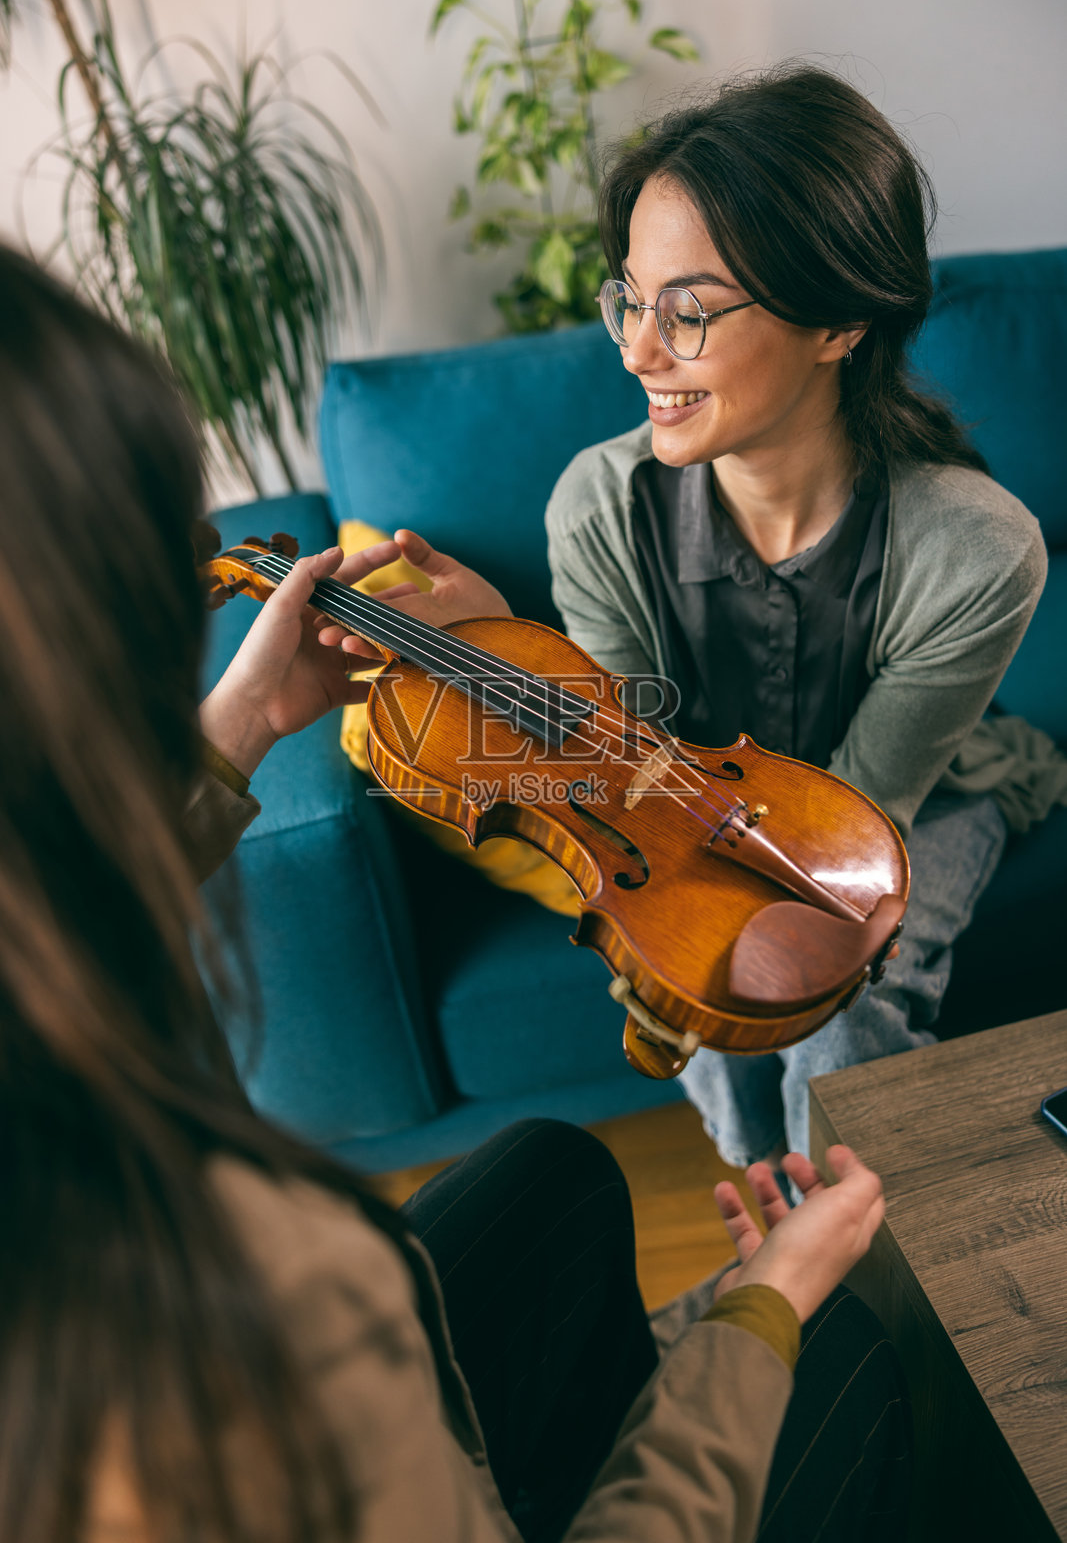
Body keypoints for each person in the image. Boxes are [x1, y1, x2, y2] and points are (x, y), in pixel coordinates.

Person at [0, 243, 910, 1541]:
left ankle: (563, 1437)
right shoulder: (262, 1292)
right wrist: (766, 1302)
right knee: (851, 1361)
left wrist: (248, 717)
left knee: (554, 1172)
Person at [539, 64, 1050, 1169]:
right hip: (692, 818)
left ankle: (862, 1258)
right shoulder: (596, 509)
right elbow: (640, 783)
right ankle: (765, 1219)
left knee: (843, 999)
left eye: (688, 311)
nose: (633, 350)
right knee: (693, 967)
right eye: (627, 295)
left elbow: (849, 834)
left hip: (911, 807)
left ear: (838, 322)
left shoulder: (977, 547)